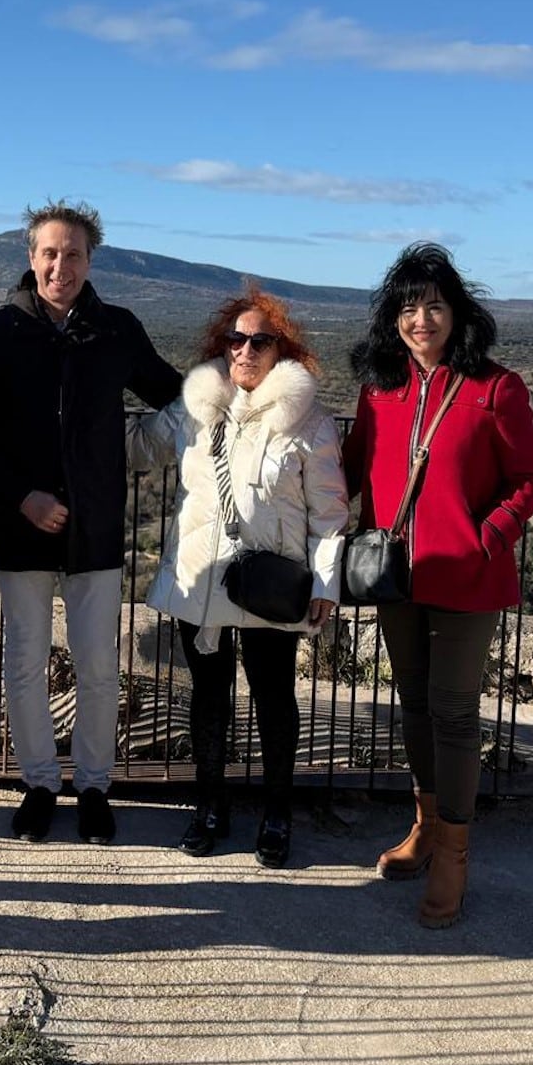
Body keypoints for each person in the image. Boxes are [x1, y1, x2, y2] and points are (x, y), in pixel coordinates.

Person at [0, 201, 182, 843]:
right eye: (50, 253)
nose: (61, 265)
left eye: (74, 253)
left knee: (99, 666)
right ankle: (37, 784)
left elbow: (173, 393)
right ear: (31, 258)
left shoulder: (116, 329)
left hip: (97, 527)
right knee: (24, 661)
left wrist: (246, 385)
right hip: (21, 523)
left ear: (90, 259)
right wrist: (21, 495)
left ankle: (93, 787)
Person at [340, 243, 533, 927]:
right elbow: (351, 469)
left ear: (457, 313)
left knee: (454, 710)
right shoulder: (380, 390)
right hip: (399, 575)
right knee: (415, 705)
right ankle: (426, 828)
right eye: (407, 307)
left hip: (468, 577)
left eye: (432, 305)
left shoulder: (496, 388)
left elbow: (527, 480)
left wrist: (486, 540)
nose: (420, 318)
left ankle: (455, 854)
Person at [130, 288, 348, 867]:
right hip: (200, 580)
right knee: (207, 697)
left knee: (274, 697)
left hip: (271, 585)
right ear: (221, 346)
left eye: (260, 340)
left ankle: (277, 811)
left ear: (282, 348)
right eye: (236, 338)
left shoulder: (310, 422)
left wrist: (326, 583)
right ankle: (210, 805)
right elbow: (136, 448)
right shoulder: (193, 408)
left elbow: (329, 513)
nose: (246, 349)